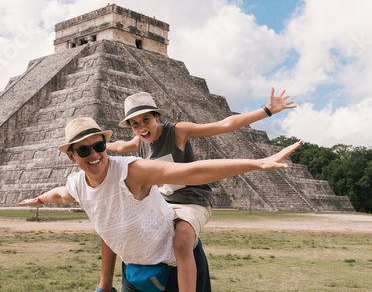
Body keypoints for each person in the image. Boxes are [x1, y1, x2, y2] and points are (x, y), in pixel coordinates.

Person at [18, 117, 301, 292]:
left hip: (174, 267)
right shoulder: (78, 183)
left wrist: (256, 163)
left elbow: (193, 172)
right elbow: (62, 194)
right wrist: (40, 199)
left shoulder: (133, 170)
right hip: (135, 272)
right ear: (71, 157)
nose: (94, 154)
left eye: (99, 146)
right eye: (83, 150)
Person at [106, 89, 296, 291]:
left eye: (146, 120)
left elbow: (224, 125)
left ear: (156, 116)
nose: (142, 128)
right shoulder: (139, 143)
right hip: (163, 202)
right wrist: (98, 146)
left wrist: (266, 110)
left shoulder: (176, 131)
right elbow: (119, 146)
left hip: (191, 201)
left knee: (181, 240)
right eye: (135, 124)